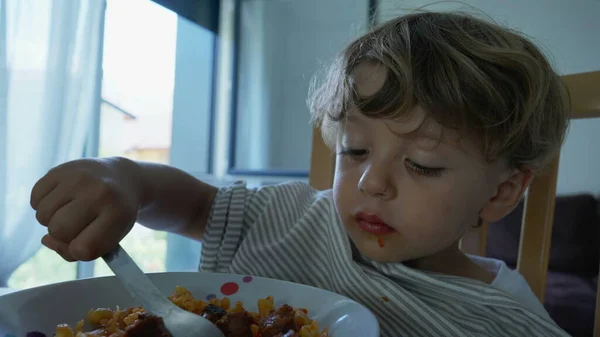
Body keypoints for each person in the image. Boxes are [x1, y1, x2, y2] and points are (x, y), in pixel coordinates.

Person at [30, 11, 571, 336]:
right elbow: (195, 207)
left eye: (421, 165)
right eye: (355, 151)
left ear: (501, 193)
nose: (371, 183)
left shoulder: (502, 320)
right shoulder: (292, 221)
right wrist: (126, 179)